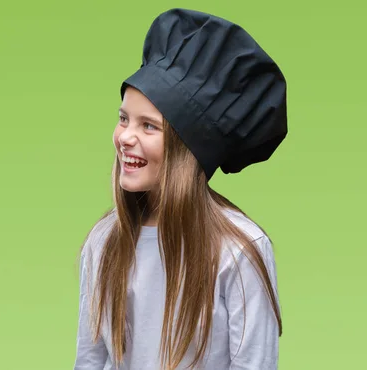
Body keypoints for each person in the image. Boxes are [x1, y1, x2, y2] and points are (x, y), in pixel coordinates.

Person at [73, 8, 287, 370]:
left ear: (187, 150)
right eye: (123, 118)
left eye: (148, 126)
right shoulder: (106, 240)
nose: (125, 137)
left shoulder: (238, 251)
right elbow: (90, 361)